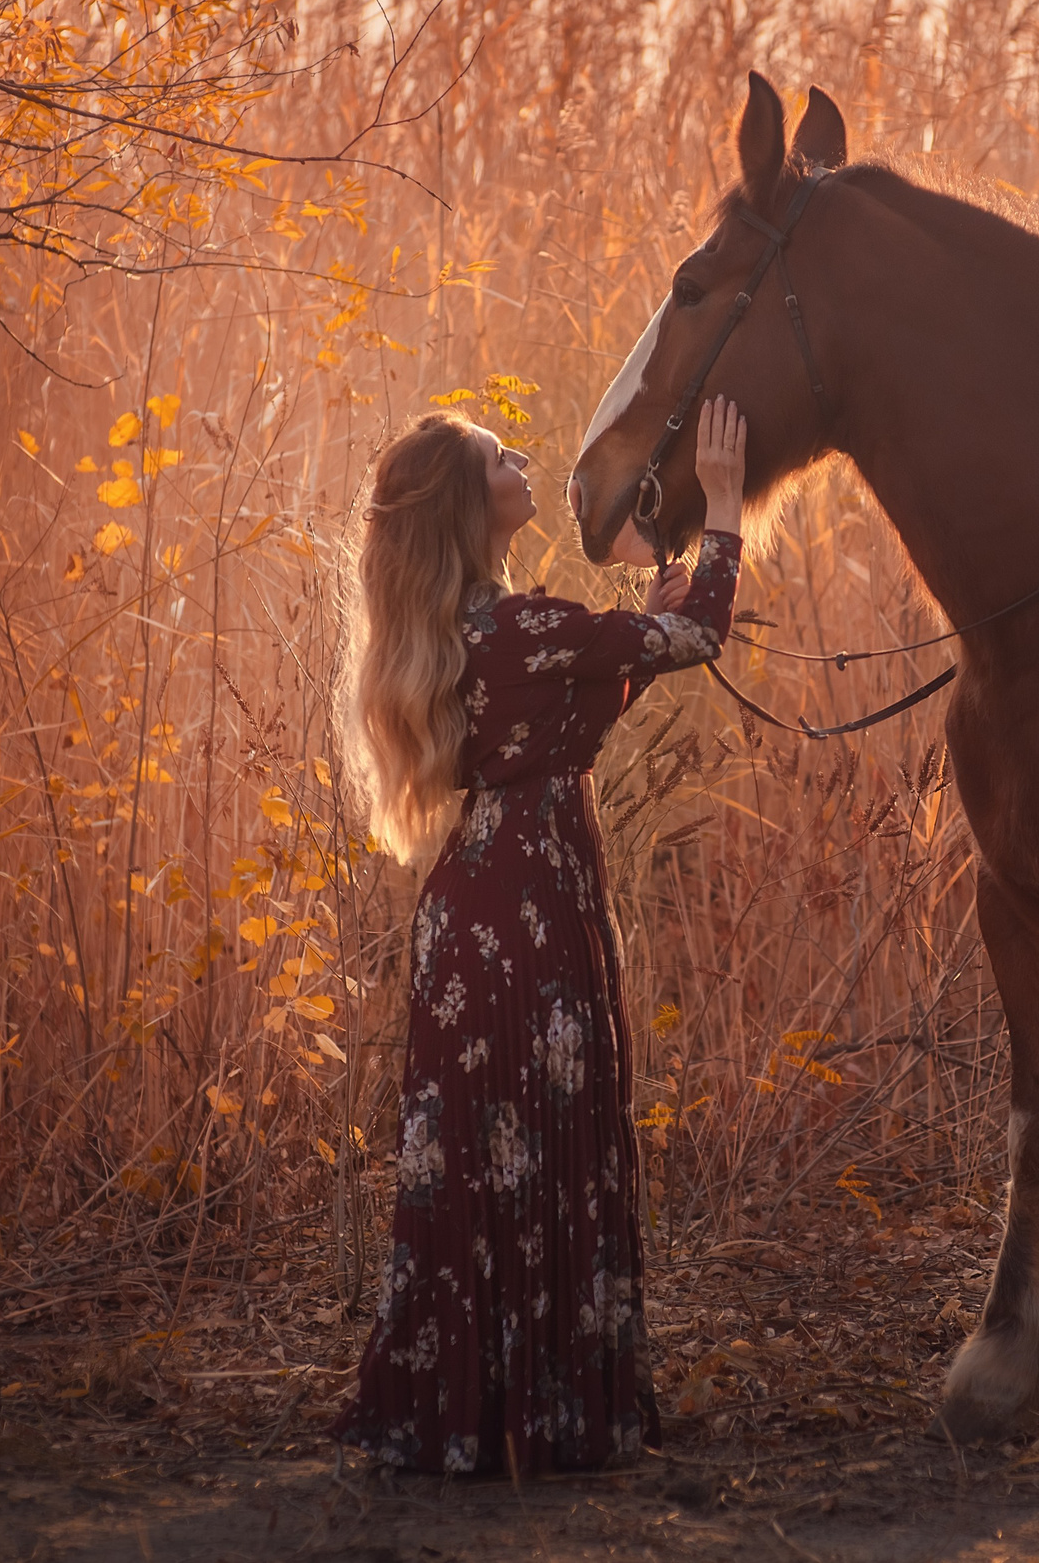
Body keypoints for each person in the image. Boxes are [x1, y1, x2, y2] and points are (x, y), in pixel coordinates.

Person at [333, 397, 746, 1474]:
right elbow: (697, 635)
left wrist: (640, 624)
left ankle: (470, 1403)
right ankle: (549, 1404)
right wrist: (731, 508)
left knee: (477, 1155)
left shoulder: (481, 627)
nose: (522, 456)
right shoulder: (521, 626)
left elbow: (595, 681)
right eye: (498, 455)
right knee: (542, 1136)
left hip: (475, 904)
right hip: (529, 903)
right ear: (474, 502)